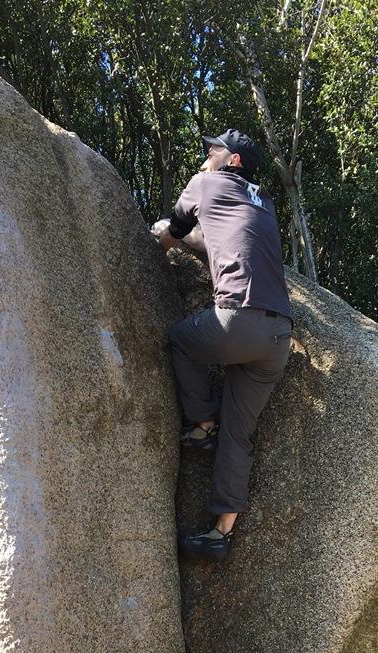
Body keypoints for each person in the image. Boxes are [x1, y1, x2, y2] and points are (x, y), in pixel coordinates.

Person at [155, 128, 294, 562]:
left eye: (213, 150)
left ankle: (202, 422)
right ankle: (220, 534)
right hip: (278, 335)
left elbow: (176, 231)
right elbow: (224, 242)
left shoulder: (205, 183)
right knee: (240, 433)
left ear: (231, 160)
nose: (206, 156)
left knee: (181, 341)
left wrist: (162, 239)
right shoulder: (263, 202)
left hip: (237, 320)